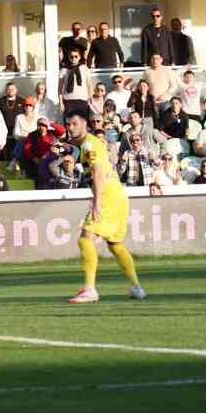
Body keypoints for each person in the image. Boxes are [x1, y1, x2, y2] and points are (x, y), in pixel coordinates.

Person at [63, 107, 145, 303]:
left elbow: (98, 172)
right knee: (115, 244)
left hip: (107, 196)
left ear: (84, 123)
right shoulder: (86, 145)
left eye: (74, 124)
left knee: (85, 239)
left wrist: (97, 201)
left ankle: (90, 289)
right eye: (68, 125)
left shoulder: (90, 144)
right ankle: (136, 287)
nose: (71, 128)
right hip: (117, 196)